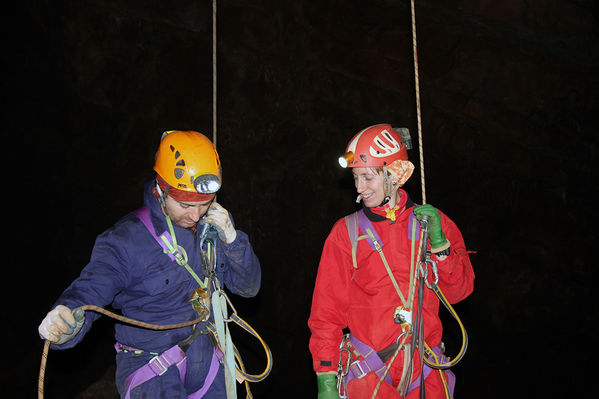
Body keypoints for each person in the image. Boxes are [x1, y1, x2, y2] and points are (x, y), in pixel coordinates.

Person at [38, 130, 261, 398]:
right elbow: (90, 290)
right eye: (184, 204)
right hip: (152, 371)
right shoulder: (125, 241)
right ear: (161, 187)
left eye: (204, 203)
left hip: (209, 362)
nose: (195, 214)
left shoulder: (213, 224)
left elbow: (249, 287)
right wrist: (65, 320)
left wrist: (233, 240)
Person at [308, 124, 474, 399]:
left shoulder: (431, 223)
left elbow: (459, 292)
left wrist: (440, 244)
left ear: (395, 175)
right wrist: (325, 378)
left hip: (426, 371)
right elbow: (326, 313)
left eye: (368, 177)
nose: (360, 187)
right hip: (369, 374)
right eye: (356, 177)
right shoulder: (346, 233)